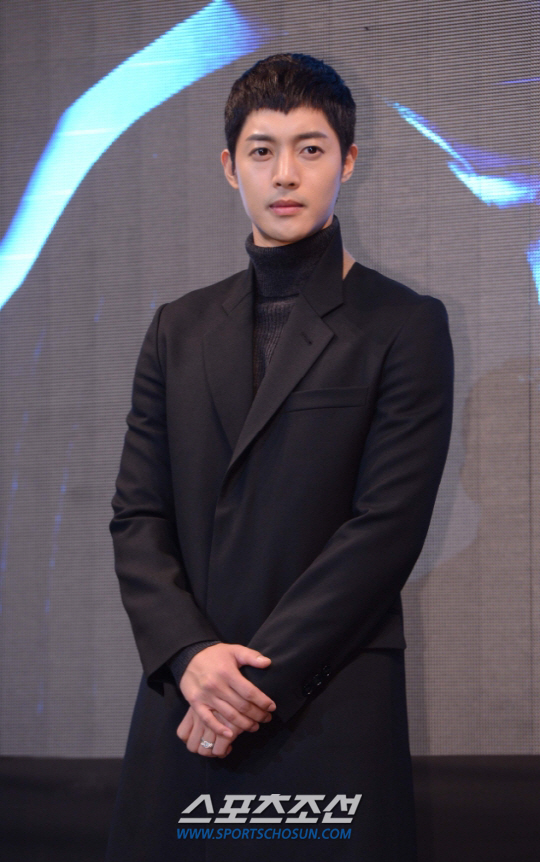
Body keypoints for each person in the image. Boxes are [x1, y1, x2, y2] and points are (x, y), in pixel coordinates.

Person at [105, 53, 454, 862]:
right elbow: (138, 513)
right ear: (231, 167)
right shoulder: (177, 328)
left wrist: (248, 687)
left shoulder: (404, 324)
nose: (286, 173)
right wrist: (191, 657)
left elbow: (384, 531)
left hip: (326, 698)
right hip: (189, 696)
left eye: (311, 148)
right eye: (262, 150)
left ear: (348, 161)